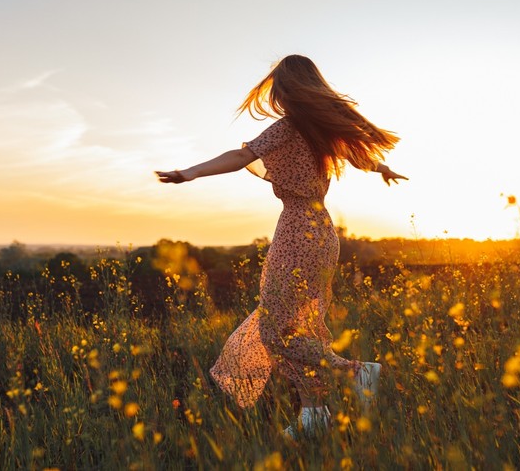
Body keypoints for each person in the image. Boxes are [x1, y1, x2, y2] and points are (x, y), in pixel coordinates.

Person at [156, 54, 407, 438]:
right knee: (297, 324)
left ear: (288, 91)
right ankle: (314, 414)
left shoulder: (289, 127)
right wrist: (383, 169)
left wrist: (190, 172)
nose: (279, 97)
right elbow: (360, 158)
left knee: (276, 328)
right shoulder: (319, 130)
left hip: (297, 229)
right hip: (321, 230)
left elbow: (242, 156)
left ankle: (355, 372)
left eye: (280, 90)